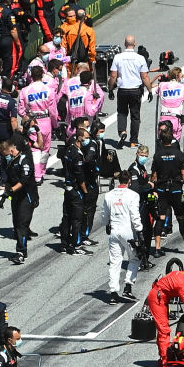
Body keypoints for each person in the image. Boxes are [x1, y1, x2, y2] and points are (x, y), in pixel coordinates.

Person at [148, 266, 184, 365]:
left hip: (164, 297)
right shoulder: (182, 284)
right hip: (157, 299)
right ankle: (165, 361)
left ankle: (165, 355)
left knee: (164, 329)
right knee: (164, 330)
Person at [151, 124, 184, 255]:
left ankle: (158, 248)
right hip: (176, 189)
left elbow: (154, 175)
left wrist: (154, 188)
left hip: (162, 190)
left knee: (161, 218)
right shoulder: (178, 154)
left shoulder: (157, 155)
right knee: (181, 217)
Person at [102, 171, 143, 304]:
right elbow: (135, 215)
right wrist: (140, 231)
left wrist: (107, 224)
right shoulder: (133, 195)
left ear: (120, 180)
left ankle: (113, 293)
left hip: (114, 231)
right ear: (129, 181)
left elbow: (104, 214)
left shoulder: (109, 195)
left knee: (114, 262)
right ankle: (128, 288)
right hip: (128, 232)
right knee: (135, 258)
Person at [109, 35, 153, 148]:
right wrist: (150, 90)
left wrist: (110, 89)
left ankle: (122, 131)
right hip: (135, 90)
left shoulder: (118, 57)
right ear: (135, 44)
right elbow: (145, 76)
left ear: (124, 44)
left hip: (123, 90)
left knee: (122, 113)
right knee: (135, 115)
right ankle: (133, 141)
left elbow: (113, 76)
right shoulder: (140, 58)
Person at [0, 138, 38, 264]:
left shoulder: (24, 160)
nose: (5, 158)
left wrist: (11, 191)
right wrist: (5, 196)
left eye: (6, 155)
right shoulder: (10, 163)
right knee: (16, 224)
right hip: (16, 197)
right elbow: (9, 180)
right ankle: (22, 250)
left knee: (22, 224)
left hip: (27, 196)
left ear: (11, 150)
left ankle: (20, 252)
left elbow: (24, 180)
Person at [60, 128, 92, 254]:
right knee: (77, 219)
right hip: (75, 190)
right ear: (79, 137)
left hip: (67, 189)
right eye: (86, 137)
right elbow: (79, 176)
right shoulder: (77, 154)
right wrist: (85, 191)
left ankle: (64, 244)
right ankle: (76, 246)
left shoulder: (69, 149)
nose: (87, 140)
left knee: (66, 217)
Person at [128, 145, 156, 268]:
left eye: (146, 156)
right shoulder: (134, 169)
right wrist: (149, 186)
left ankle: (145, 258)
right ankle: (140, 259)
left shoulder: (142, 167)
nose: (144, 158)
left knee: (148, 232)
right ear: (137, 154)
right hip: (137, 205)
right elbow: (135, 188)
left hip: (144, 203)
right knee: (141, 233)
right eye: (142, 155)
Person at [156, 67, 184, 144]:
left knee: (162, 140)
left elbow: (157, 91)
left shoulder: (162, 85)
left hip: (164, 119)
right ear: (177, 76)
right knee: (175, 142)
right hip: (175, 119)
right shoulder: (183, 87)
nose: (183, 78)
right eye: (182, 76)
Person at [61, 9, 97, 74]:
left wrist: (65, 61)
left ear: (76, 17)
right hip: (84, 63)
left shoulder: (65, 28)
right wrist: (92, 62)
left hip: (71, 63)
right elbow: (92, 50)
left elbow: (63, 47)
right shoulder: (90, 30)